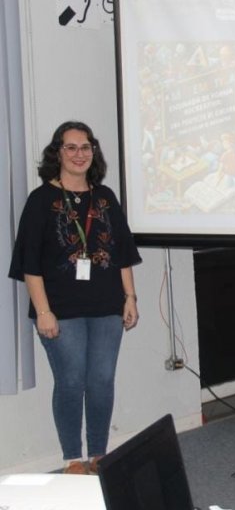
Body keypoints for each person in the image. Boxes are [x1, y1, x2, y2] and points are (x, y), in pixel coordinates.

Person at [8, 121, 142, 475]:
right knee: (70, 382)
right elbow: (29, 264)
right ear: (58, 153)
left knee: (101, 382)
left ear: (93, 152)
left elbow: (122, 253)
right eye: (71, 147)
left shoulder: (105, 197)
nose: (79, 154)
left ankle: (98, 454)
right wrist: (43, 312)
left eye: (85, 147)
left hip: (107, 307)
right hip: (60, 310)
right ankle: (72, 458)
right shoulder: (41, 201)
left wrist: (130, 297)